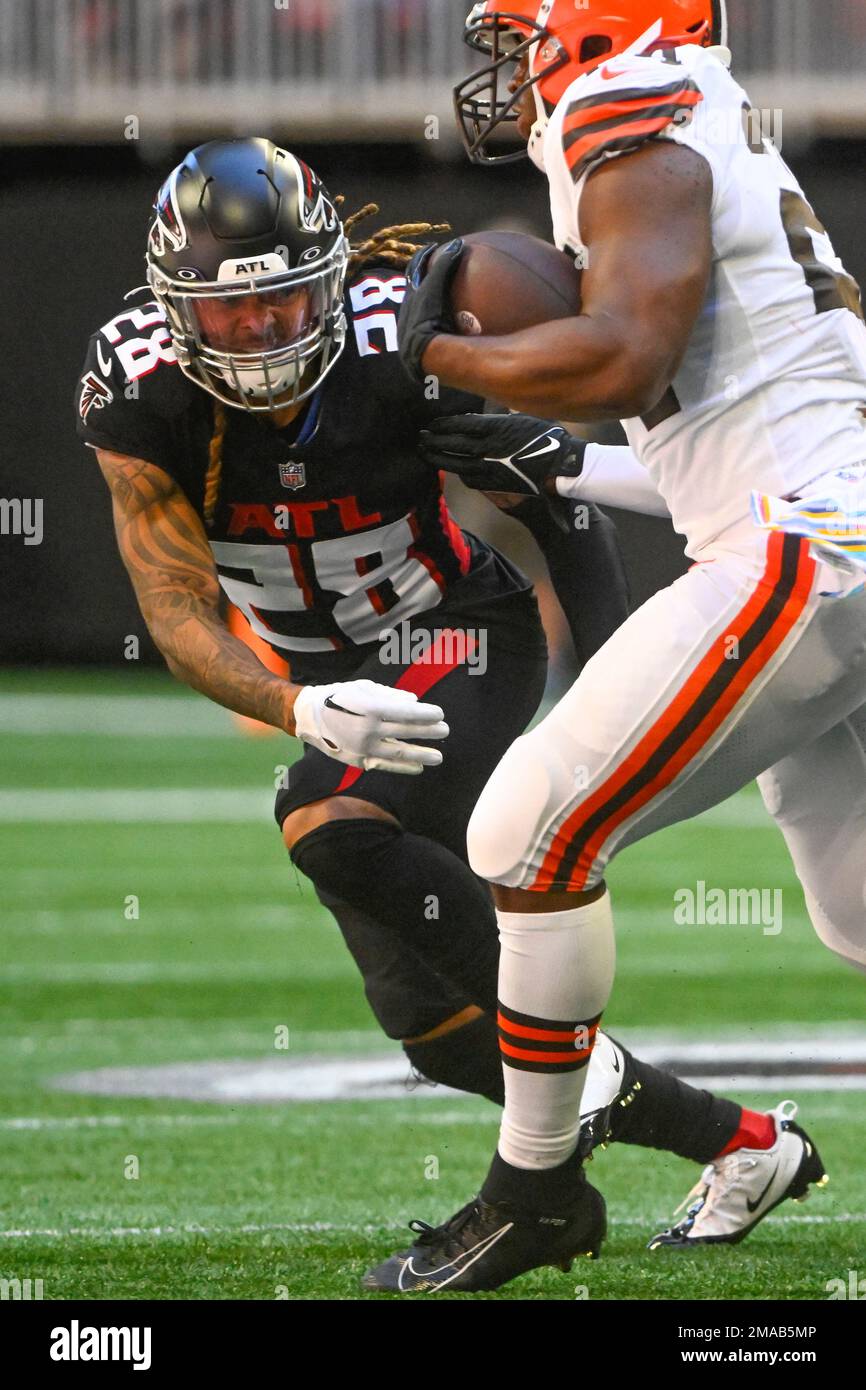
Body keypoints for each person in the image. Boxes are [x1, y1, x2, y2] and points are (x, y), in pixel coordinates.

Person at [75, 136, 823, 1286]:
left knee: (329, 826)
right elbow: (174, 606)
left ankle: (543, 1187)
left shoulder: (398, 343)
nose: (264, 337)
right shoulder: (137, 385)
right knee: (432, 1023)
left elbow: (561, 508)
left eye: (282, 304)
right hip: (326, 677)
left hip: (458, 630)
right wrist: (296, 701)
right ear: (174, 311)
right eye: (230, 318)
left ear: (327, 280)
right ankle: (742, 1144)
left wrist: (598, 716)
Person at [366, 0, 865, 1292]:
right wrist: (565, 453)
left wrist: (435, 359)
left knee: (525, 828)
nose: (509, 56)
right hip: (825, 521)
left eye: (521, 25)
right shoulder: (700, 104)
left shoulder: (623, 100)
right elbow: (710, 408)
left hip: (806, 544)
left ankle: (532, 1187)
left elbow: (625, 352)